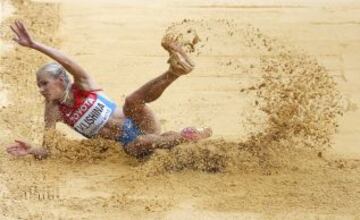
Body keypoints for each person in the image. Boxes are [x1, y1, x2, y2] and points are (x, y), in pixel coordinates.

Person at [5, 21, 212, 159]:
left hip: (141, 122)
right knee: (144, 141)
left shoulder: (83, 84)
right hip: (129, 146)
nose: (41, 90)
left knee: (131, 101)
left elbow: (67, 61)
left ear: (60, 79)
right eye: (39, 85)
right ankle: (185, 137)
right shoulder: (53, 110)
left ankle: (174, 72)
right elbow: (48, 148)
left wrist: (34, 45)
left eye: (44, 83)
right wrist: (32, 149)